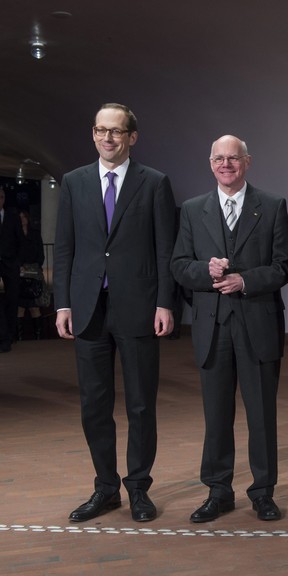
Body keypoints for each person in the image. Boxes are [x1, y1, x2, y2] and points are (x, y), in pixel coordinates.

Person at [54, 103, 177, 523]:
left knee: (141, 405)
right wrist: (63, 303)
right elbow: (66, 246)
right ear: (93, 134)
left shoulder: (155, 183)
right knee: (94, 405)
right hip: (88, 309)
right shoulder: (74, 182)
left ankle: (139, 488)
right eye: (102, 131)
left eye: (117, 132)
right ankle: (105, 488)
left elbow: (165, 249)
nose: (108, 139)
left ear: (132, 137)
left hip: (139, 308)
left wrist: (165, 302)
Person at [171, 135, 288, 523]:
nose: (226, 164)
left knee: (261, 416)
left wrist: (246, 281)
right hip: (212, 328)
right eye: (219, 159)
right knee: (216, 416)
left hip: (258, 325)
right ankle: (218, 491)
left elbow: (284, 266)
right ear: (210, 164)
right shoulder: (192, 210)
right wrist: (204, 272)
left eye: (233, 158)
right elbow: (179, 265)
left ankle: (262, 492)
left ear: (247, 162)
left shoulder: (272, 206)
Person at [0, 187, 23, 352]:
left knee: (12, 300)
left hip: (10, 264)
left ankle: (8, 337)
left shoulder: (12, 216)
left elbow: (20, 240)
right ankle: (3, 336)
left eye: (1, 197)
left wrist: (18, 262)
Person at [17, 210, 46, 340]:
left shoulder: (35, 234)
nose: (22, 219)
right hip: (19, 271)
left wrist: (38, 265)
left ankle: (38, 337)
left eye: (24, 217)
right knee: (20, 306)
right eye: (20, 217)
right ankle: (20, 337)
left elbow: (40, 251)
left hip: (34, 270)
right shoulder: (15, 234)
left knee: (34, 305)